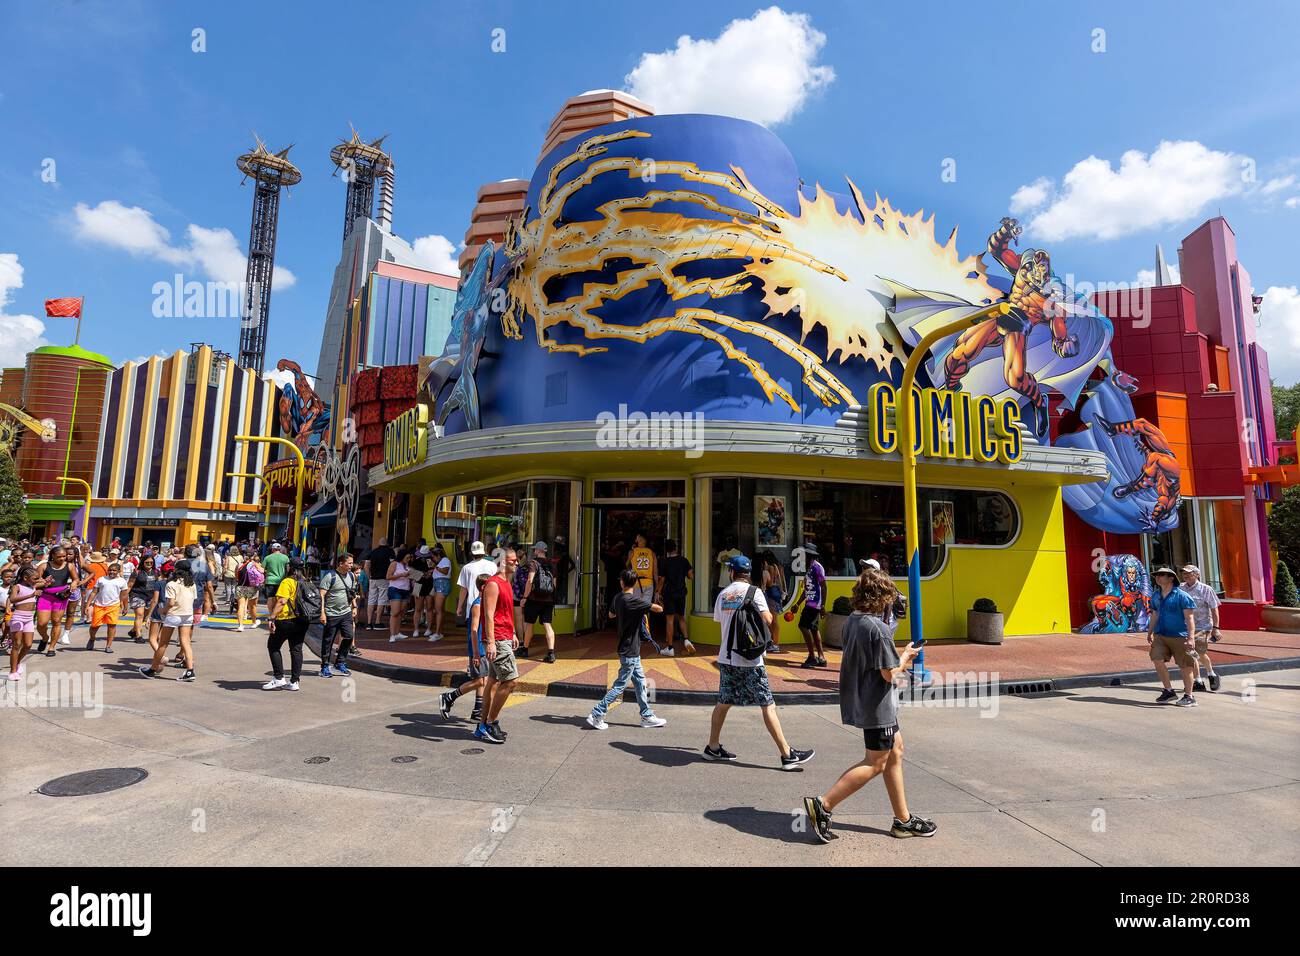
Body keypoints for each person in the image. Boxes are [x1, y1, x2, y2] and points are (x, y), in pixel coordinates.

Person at [803, 568, 935, 841]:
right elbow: (889, 673)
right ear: (882, 597)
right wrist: (907, 657)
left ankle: (903, 820)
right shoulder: (879, 629)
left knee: (896, 751)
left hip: (864, 699)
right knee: (875, 762)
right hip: (877, 704)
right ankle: (823, 805)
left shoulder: (853, 620)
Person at [704, 554, 814, 770]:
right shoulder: (755, 593)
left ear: (731, 572)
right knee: (767, 704)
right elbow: (769, 619)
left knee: (724, 701)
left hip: (727, 657)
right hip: (750, 659)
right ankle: (787, 755)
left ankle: (713, 746)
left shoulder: (723, 594)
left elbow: (720, 620)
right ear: (748, 573)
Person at [586, 569, 668, 730]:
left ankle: (647, 715)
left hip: (630, 649)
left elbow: (610, 615)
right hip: (630, 650)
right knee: (620, 685)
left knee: (640, 683)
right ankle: (597, 712)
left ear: (622, 582)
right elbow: (659, 609)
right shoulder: (635, 601)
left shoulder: (618, 598)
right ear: (635, 583)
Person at [475, 548, 519, 745]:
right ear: (502, 562)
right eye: (513, 560)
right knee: (510, 681)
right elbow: (489, 615)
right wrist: (491, 642)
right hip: (498, 640)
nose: (516, 563)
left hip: (505, 636)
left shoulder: (506, 583)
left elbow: (506, 613)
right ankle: (491, 722)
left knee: (493, 681)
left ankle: (482, 724)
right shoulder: (493, 584)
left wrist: (514, 633)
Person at [440, 572, 490, 723]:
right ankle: (449, 697)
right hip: (478, 648)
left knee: (483, 678)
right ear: (483, 588)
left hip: (482, 646)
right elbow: (474, 631)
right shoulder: (477, 605)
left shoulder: (485, 603)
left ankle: (477, 710)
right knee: (481, 681)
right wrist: (475, 652)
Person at [1147, 566, 1199, 707]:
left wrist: (1191, 637)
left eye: (1162, 574)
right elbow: (1155, 614)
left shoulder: (1182, 596)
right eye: (1156, 575)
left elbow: (1190, 619)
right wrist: (1150, 631)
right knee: (1157, 658)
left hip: (1180, 636)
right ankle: (1168, 691)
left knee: (1185, 666)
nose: (1158, 577)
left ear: (1171, 578)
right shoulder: (1156, 595)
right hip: (1161, 635)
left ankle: (1189, 696)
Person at [139, 562, 197, 682]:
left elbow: (170, 602)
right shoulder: (191, 583)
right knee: (186, 642)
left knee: (163, 644)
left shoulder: (171, 584)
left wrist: (163, 610)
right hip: (187, 614)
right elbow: (193, 599)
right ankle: (190, 670)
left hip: (174, 614)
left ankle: (152, 669)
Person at [262, 557, 309, 690]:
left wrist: (272, 618)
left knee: (273, 646)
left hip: (286, 619)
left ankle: (278, 678)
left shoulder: (287, 582)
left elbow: (282, 602)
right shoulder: (306, 581)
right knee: (296, 649)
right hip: (303, 620)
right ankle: (294, 682)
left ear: (290, 568)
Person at [1180, 564, 1222, 693]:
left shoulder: (1206, 589)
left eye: (1189, 573)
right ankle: (1198, 680)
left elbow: (1214, 609)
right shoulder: (1180, 588)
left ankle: (1211, 674)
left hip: (1203, 626)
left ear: (1197, 574)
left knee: (1199, 653)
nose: (1186, 575)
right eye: (1184, 573)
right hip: (1186, 626)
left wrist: (1216, 628)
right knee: (1191, 652)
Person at [318, 553, 358, 678]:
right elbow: (321, 595)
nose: (351, 565)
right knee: (328, 641)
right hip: (331, 614)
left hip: (346, 612)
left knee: (349, 636)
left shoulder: (351, 576)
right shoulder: (330, 576)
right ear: (341, 563)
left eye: (352, 563)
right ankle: (324, 666)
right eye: (349, 563)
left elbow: (351, 592)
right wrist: (322, 613)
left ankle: (340, 662)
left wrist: (354, 606)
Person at [33, 546, 78, 657]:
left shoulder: (70, 566)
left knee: (56, 621)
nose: (62, 558)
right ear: (52, 555)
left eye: (64, 556)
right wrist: (43, 582)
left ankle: (51, 647)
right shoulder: (44, 566)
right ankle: (45, 638)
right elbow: (35, 582)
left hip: (61, 597)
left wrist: (74, 583)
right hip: (45, 596)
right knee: (41, 623)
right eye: (59, 557)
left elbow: (76, 579)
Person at [520, 541, 558, 663]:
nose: (534, 551)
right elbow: (554, 584)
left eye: (535, 549)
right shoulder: (552, 564)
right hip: (548, 600)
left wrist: (525, 597)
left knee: (530, 624)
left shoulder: (534, 563)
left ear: (538, 551)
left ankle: (525, 650)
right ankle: (551, 653)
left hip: (534, 599)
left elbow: (530, 581)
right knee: (547, 625)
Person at [657, 539, 695, 656]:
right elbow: (691, 576)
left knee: (670, 620)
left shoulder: (664, 562)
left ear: (666, 550)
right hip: (681, 593)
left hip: (669, 593)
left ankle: (670, 648)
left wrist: (658, 591)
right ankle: (687, 640)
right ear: (676, 548)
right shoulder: (683, 560)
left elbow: (662, 579)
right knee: (681, 617)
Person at [796, 542, 827, 668]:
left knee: (803, 626)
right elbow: (808, 589)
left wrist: (823, 605)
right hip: (811, 602)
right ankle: (821, 657)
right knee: (814, 629)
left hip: (815, 603)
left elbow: (824, 586)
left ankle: (812, 656)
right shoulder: (809, 567)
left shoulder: (817, 567)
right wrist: (798, 603)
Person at [6, 566, 41, 680]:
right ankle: (13, 671)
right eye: (35, 579)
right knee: (17, 644)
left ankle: (17, 663)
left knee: (28, 645)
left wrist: (48, 581)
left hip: (29, 618)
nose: (37, 581)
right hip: (18, 617)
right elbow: (12, 599)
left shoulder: (33, 586)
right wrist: (31, 595)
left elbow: (44, 583)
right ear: (25, 578)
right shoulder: (17, 587)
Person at [85, 562, 129, 652]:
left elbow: (124, 595)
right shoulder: (101, 579)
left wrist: (125, 607)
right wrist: (88, 604)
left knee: (112, 625)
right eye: (110, 570)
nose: (111, 572)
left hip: (113, 606)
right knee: (94, 626)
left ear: (118, 571)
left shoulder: (122, 581)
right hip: (99, 605)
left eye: (114, 570)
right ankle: (92, 638)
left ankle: (108, 646)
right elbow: (94, 592)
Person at [455, 540, 497, 625]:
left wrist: (459, 607)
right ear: (484, 552)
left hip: (472, 605)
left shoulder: (466, 568)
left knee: (473, 633)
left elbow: (464, 589)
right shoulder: (493, 565)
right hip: (491, 604)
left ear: (471, 553)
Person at [363, 538, 396, 630]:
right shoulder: (390, 551)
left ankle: (369, 623)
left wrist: (369, 576)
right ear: (387, 543)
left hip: (373, 578)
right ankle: (378, 622)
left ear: (379, 543)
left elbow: (366, 566)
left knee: (371, 600)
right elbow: (393, 565)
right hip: (384, 578)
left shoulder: (373, 552)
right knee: (382, 599)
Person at [126, 555, 159, 643]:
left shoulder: (156, 572)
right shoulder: (137, 572)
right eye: (147, 562)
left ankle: (133, 631)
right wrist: (123, 598)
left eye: (151, 562)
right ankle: (138, 636)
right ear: (143, 562)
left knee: (145, 617)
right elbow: (129, 586)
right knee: (140, 614)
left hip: (150, 597)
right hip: (137, 595)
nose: (149, 564)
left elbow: (159, 584)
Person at [759, 550, 785, 654]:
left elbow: (769, 583)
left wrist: (764, 570)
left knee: (773, 620)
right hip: (777, 593)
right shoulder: (778, 566)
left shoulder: (770, 567)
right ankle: (774, 643)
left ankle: (775, 644)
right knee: (774, 620)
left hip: (771, 593)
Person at [386, 548, 414, 643]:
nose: (409, 559)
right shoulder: (394, 564)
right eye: (407, 557)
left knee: (401, 613)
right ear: (402, 556)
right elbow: (388, 576)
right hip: (395, 589)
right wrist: (402, 575)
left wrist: (412, 578)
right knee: (395, 612)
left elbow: (409, 577)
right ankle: (392, 634)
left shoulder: (407, 565)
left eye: (409, 558)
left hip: (405, 590)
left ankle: (397, 633)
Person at [235, 550, 265, 631]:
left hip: (240, 587)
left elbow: (236, 577)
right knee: (252, 606)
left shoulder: (239, 565)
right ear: (253, 556)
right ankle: (254, 623)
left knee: (241, 606)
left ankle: (241, 625)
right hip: (252, 587)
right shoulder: (255, 564)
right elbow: (262, 571)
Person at [428, 544, 452, 641]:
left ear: (438, 555)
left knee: (438, 610)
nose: (433, 559)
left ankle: (437, 633)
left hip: (441, 584)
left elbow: (445, 571)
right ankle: (439, 631)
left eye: (433, 557)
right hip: (439, 584)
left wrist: (435, 567)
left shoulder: (445, 560)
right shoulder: (443, 561)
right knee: (440, 610)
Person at [262, 542, 290, 607]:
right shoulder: (285, 558)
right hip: (281, 581)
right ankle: (277, 614)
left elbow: (262, 569)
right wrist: (285, 576)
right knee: (280, 598)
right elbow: (288, 569)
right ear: (280, 549)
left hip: (270, 581)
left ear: (272, 549)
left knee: (270, 598)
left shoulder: (267, 558)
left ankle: (271, 614)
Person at [222, 545, 241, 612]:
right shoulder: (240, 557)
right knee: (234, 587)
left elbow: (225, 566)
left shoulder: (228, 557)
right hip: (236, 574)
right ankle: (233, 599)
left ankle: (228, 600)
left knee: (228, 587)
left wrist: (223, 572)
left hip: (228, 573)